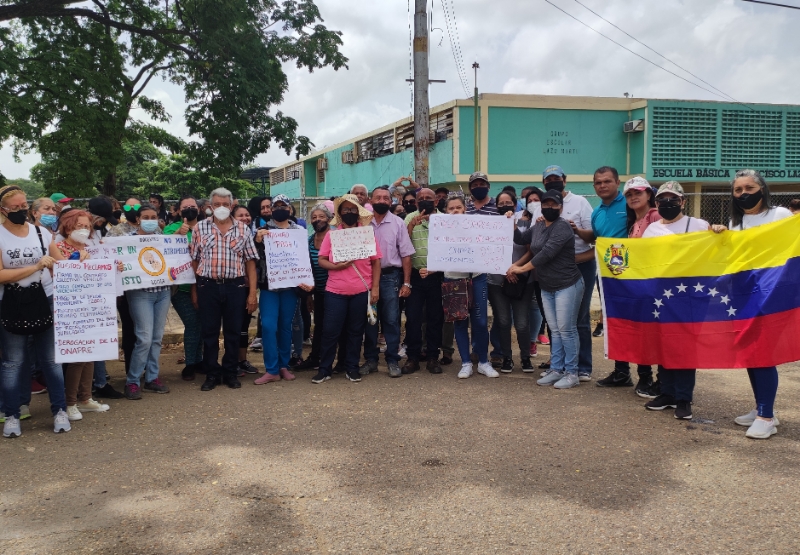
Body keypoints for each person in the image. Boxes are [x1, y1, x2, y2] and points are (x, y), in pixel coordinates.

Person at [711, 169, 791, 439]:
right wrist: (720, 234)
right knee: (752, 353)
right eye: (738, 190)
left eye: (749, 187)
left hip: (772, 295)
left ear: (762, 189)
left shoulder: (780, 215)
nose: (744, 193)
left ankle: (766, 416)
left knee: (764, 353)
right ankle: (762, 407)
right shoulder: (738, 223)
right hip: (745, 296)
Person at [0, 185, 71, 437]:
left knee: (51, 360)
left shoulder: (41, 233)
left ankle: (59, 410)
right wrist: (34, 267)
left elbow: (61, 264)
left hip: (45, 299)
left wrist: (87, 263)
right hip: (12, 303)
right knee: (12, 362)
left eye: (23, 206)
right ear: (3, 210)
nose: (21, 210)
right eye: (15, 207)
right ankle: (11, 414)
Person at [642, 182, 711, 420]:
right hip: (662, 296)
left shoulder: (698, 225)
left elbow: (712, 254)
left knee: (684, 348)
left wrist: (720, 233)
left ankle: (684, 398)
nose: (667, 204)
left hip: (690, 296)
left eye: (673, 199)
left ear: (683, 201)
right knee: (664, 344)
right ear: (656, 203)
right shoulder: (651, 229)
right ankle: (667, 393)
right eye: (662, 200)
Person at [587, 170, 657, 395]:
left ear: (617, 183)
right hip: (611, 277)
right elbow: (598, 240)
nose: (602, 185)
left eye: (607, 181)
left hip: (640, 279)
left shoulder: (651, 215)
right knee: (617, 324)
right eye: (598, 182)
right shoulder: (599, 212)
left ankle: (646, 376)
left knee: (640, 327)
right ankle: (621, 371)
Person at [507, 189, 584, 389]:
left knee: (567, 329)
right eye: (546, 204)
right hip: (547, 285)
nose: (549, 207)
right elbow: (521, 240)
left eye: (554, 204)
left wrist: (522, 268)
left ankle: (572, 372)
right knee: (556, 331)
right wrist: (511, 223)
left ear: (561, 207)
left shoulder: (563, 227)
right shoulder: (539, 225)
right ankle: (557, 369)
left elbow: (546, 254)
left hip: (567, 283)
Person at [190, 188, 259, 391]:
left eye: (225, 204)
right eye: (217, 204)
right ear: (210, 207)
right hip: (207, 286)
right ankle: (212, 373)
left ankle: (230, 372)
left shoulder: (243, 229)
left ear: (232, 205)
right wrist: (195, 290)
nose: (221, 208)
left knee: (233, 332)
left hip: (235, 287)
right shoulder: (200, 228)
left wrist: (252, 293)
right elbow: (194, 261)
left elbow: (250, 264)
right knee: (209, 333)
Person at [311, 194, 381, 384]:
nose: (349, 212)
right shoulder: (333, 235)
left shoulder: (367, 234)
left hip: (361, 290)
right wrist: (337, 266)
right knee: (330, 331)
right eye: (345, 210)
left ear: (358, 212)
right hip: (335, 292)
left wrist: (375, 288)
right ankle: (325, 369)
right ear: (340, 213)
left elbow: (376, 262)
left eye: (352, 210)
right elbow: (322, 260)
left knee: (356, 331)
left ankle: (352, 367)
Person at [54, 210, 111, 420]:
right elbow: (59, 274)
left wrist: (115, 267)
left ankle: (85, 398)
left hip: (92, 307)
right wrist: (75, 261)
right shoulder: (58, 248)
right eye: (79, 226)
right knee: (77, 357)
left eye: (87, 226)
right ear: (68, 226)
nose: (84, 230)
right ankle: (70, 403)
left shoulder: (92, 249)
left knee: (91, 354)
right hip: (71, 309)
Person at [539, 165, 594, 381]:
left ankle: (582, 367)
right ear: (543, 182)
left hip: (580, 265)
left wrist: (577, 231)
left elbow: (593, 238)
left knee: (579, 319)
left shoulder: (580, 202)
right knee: (556, 322)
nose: (552, 181)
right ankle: (558, 366)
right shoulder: (540, 206)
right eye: (548, 179)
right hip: (552, 269)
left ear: (565, 179)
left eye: (556, 178)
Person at [252, 195, 312, 384]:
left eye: (283, 206)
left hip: (291, 287)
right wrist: (257, 240)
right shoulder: (263, 230)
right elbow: (253, 257)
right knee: (269, 326)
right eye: (275, 206)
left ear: (290, 209)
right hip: (269, 286)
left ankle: (283, 365)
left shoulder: (299, 231)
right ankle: (271, 369)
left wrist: (306, 280)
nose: (279, 209)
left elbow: (304, 257)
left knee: (286, 327)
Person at [113, 203, 171, 400]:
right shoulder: (127, 241)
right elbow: (117, 261)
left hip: (162, 293)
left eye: (153, 217)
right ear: (137, 219)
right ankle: (133, 381)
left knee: (156, 338)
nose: (149, 221)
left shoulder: (164, 240)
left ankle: (152, 377)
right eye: (145, 217)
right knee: (144, 338)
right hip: (140, 294)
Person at [359, 187, 415, 378]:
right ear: (370, 200)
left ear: (391, 200)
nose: (382, 200)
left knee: (391, 320)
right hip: (366, 279)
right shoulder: (362, 223)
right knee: (370, 320)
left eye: (386, 198)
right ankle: (371, 360)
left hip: (391, 277)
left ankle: (392, 359)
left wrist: (406, 283)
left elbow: (406, 255)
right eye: (378, 197)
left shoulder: (398, 223)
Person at [443, 194, 497, 379]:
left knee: (481, 322)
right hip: (453, 280)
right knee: (460, 321)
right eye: (451, 208)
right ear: (445, 212)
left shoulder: (476, 227)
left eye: (458, 207)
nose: (455, 211)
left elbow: (493, 239)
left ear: (465, 209)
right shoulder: (440, 230)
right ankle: (465, 362)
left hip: (477, 277)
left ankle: (483, 361)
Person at [486, 191, 534, 374]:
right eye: (501, 203)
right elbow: (486, 251)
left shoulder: (524, 223)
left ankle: (525, 357)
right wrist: (505, 270)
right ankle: (507, 357)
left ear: (515, 205)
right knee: (503, 321)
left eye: (508, 202)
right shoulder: (489, 225)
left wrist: (514, 267)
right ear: (496, 206)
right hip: (497, 282)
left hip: (521, 280)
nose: (505, 205)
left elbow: (530, 251)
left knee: (522, 323)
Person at [402, 188, 445, 374]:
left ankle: (433, 357)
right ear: (416, 202)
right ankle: (412, 357)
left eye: (429, 198)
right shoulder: (408, 218)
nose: (425, 201)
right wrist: (411, 225)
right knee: (413, 318)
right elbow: (401, 245)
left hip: (437, 277)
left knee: (435, 318)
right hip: (415, 276)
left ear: (436, 201)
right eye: (421, 199)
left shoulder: (445, 219)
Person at [164, 196, 204, 381]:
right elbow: (161, 247)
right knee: (192, 323)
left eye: (193, 206)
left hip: (203, 284)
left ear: (199, 208)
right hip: (180, 287)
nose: (189, 209)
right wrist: (178, 234)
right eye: (185, 207)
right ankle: (190, 363)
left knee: (202, 324)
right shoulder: (172, 228)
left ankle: (200, 361)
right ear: (179, 211)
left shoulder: (206, 227)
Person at [295, 204, 333, 371]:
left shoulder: (336, 237)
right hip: (317, 291)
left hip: (336, 290)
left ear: (329, 218)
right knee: (319, 325)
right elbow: (306, 268)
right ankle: (316, 357)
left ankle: (334, 360)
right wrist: (309, 295)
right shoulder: (309, 240)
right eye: (314, 217)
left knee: (333, 326)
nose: (317, 220)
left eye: (321, 217)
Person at [229, 205, 261, 377]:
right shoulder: (230, 235)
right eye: (240, 215)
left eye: (247, 215)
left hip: (248, 287)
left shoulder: (256, 236)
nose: (245, 218)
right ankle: (231, 361)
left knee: (244, 326)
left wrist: (252, 292)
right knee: (232, 326)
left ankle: (242, 360)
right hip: (233, 287)